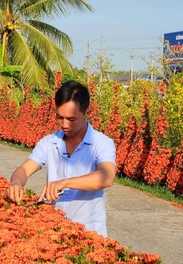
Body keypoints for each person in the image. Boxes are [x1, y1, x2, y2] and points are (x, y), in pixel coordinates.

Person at [7, 80, 116, 237]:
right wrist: (16, 183)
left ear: (86, 112)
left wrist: (64, 183)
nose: (64, 125)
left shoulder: (101, 143)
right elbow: (24, 169)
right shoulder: (49, 142)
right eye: (60, 117)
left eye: (71, 119)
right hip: (54, 231)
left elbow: (106, 177)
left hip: (89, 234)